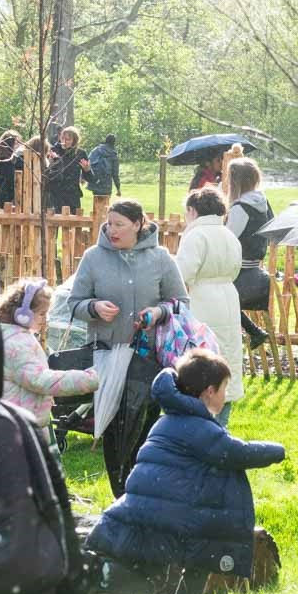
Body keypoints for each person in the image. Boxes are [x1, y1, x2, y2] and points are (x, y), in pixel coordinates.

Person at [87, 349, 286, 594]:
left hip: (153, 509)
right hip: (168, 516)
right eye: (223, 389)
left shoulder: (168, 419)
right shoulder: (198, 427)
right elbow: (233, 452)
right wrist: (276, 450)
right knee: (198, 561)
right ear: (209, 391)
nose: (225, 396)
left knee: (178, 564)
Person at [68, 199, 188, 496]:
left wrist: (157, 313)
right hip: (107, 355)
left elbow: (181, 303)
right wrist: (94, 308)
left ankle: (142, 495)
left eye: (119, 224)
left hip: (150, 360)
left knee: (145, 428)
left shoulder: (161, 258)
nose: (112, 230)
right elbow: (74, 304)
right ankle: (120, 495)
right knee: (114, 428)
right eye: (109, 224)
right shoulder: (93, 257)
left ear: (138, 224)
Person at [0, 325, 91, 594]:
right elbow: (58, 515)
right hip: (30, 592)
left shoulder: (17, 426)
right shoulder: (19, 424)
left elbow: (56, 510)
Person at [176, 187, 244, 427]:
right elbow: (236, 269)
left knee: (201, 359)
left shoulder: (195, 236)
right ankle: (221, 421)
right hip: (228, 297)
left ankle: (200, 421)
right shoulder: (229, 235)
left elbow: (183, 274)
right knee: (226, 357)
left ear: (192, 210)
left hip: (201, 299)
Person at [0, 277, 99, 435]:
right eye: (41, 314)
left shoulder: (11, 336)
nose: (45, 320)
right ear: (22, 314)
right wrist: (90, 379)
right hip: (20, 431)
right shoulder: (17, 345)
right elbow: (42, 381)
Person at [226, 158, 275, 351]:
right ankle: (254, 331)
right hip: (255, 262)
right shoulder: (263, 202)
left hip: (240, 265)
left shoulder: (240, 208)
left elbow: (228, 238)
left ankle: (254, 331)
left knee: (224, 301)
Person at [45, 126, 87, 213]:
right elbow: (47, 172)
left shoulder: (80, 153)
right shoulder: (53, 151)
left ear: (74, 141)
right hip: (56, 193)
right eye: (62, 138)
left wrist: (88, 170)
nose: (64, 141)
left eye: (68, 139)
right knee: (53, 224)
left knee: (74, 224)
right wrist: (51, 162)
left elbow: (90, 178)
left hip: (72, 194)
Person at [86, 132, 122, 206]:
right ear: (114, 143)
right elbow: (115, 174)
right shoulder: (113, 155)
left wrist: (83, 177)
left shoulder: (96, 150)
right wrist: (118, 188)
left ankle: (96, 216)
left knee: (97, 204)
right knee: (105, 206)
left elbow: (88, 162)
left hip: (95, 182)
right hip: (106, 184)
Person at [0, 129, 21, 209]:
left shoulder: (1, 159)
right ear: (10, 144)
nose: (18, 146)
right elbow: (10, 182)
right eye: (16, 143)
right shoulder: (5, 161)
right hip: (4, 202)